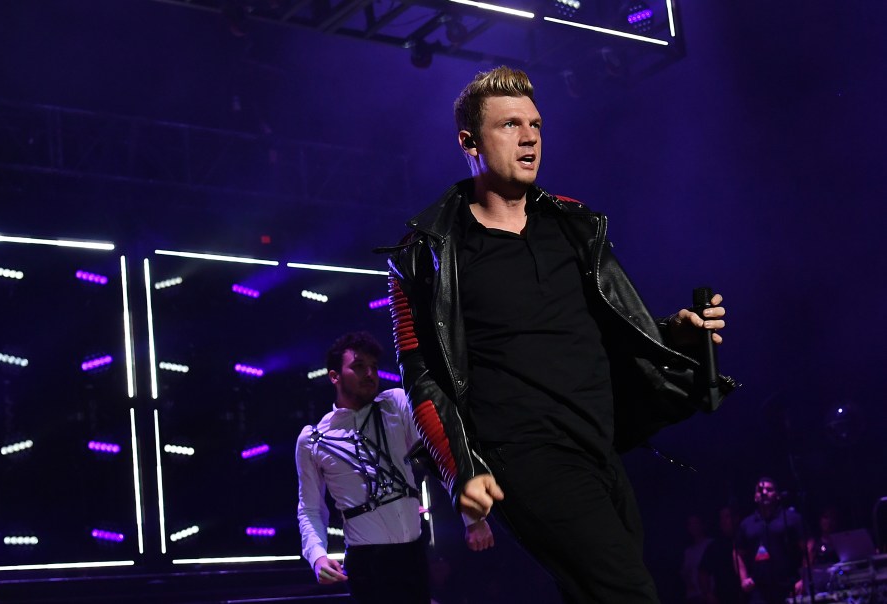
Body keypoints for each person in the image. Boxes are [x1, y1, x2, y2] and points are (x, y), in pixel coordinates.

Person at [384, 66, 737, 602]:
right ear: (469, 142)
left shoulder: (573, 224)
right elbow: (422, 376)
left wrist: (673, 333)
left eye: (535, 124)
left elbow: (612, 326)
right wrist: (461, 471)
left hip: (599, 445)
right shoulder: (425, 252)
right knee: (629, 593)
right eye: (509, 125)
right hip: (523, 456)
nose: (529, 137)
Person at [295, 331, 494, 603]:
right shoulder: (314, 438)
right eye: (358, 366)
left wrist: (473, 518)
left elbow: (440, 454)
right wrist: (317, 556)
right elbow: (310, 508)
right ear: (334, 376)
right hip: (367, 562)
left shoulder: (395, 404)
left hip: (413, 553)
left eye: (373, 367)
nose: (370, 374)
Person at [734, 477, 805, 604]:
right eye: (760, 490)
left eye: (769, 489)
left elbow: (808, 546)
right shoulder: (746, 524)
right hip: (759, 592)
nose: (764, 492)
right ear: (755, 496)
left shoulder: (791, 518)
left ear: (777, 495)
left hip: (790, 587)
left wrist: (803, 578)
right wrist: (743, 579)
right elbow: (737, 552)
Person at [698, 506, 742, 604]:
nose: (723, 521)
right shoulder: (715, 547)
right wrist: (708, 595)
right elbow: (703, 572)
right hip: (725, 598)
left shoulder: (746, 539)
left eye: (727, 517)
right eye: (721, 518)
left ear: (736, 518)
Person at [681, 514, 713, 604]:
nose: (693, 527)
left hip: (710, 595)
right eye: (690, 524)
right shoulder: (688, 551)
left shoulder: (710, 545)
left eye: (695, 523)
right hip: (693, 595)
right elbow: (686, 572)